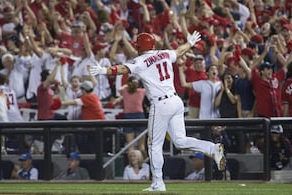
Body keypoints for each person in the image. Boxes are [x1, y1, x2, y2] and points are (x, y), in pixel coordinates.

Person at [90, 31, 226, 192]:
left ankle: (158, 183)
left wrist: (105, 71)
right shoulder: (164, 54)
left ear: (140, 46)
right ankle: (212, 148)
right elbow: (179, 51)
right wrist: (189, 43)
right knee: (180, 141)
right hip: (176, 101)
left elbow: (123, 68)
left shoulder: (140, 61)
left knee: (154, 145)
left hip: (161, 104)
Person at [114, 76, 147, 153]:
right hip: (139, 116)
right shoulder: (141, 92)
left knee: (130, 145)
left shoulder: (124, 91)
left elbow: (119, 89)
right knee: (141, 145)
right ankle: (143, 163)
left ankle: (132, 164)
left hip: (128, 117)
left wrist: (126, 86)